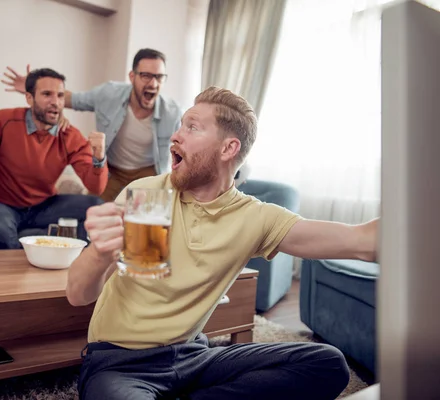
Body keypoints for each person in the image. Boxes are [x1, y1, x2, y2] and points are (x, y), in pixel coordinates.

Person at [66, 86, 379, 399]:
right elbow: (78, 295)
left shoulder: (253, 217)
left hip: (193, 357)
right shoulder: (148, 196)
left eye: (192, 127)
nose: (176, 136)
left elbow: (361, 242)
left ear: (228, 149)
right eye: (180, 125)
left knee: (326, 364)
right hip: (121, 363)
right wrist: (99, 254)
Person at [1, 48, 184, 202]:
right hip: (113, 171)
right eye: (145, 76)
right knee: (93, 214)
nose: (153, 83)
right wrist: (34, 88)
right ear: (132, 76)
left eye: (159, 77)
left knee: (146, 224)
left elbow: (181, 152)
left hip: (148, 174)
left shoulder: (173, 112)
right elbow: (71, 99)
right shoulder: (108, 94)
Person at [0, 68, 108, 249]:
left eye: (60, 96)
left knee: (97, 208)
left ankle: (76, 268)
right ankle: (12, 276)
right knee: (1, 233)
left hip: (44, 206)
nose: (55, 102)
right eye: (47, 94)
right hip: (2, 205)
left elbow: (96, 187)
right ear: (29, 98)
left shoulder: (70, 136)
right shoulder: (3, 121)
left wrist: (99, 156)